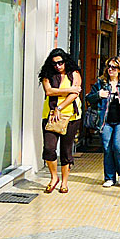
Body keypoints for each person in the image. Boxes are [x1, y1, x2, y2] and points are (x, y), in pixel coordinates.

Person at [86, 57, 120, 188]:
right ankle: (109, 177)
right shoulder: (101, 83)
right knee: (107, 148)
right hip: (105, 123)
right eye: (109, 66)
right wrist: (99, 95)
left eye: (114, 67)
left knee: (119, 148)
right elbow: (88, 98)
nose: (110, 69)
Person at [39, 49, 82, 194]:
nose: (58, 66)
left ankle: (64, 182)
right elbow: (49, 91)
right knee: (49, 148)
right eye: (54, 63)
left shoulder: (74, 73)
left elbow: (74, 95)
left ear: (65, 61)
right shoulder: (47, 75)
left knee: (66, 150)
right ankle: (53, 177)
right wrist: (69, 89)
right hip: (51, 116)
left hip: (70, 116)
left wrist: (59, 107)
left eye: (60, 62)